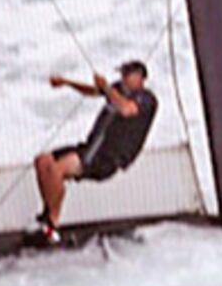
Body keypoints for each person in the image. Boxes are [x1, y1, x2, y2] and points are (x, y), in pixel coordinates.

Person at [32, 59, 159, 242]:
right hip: (90, 147)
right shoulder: (118, 90)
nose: (122, 78)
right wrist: (67, 83)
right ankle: (47, 217)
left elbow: (127, 109)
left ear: (140, 77)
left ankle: (52, 227)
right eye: (121, 73)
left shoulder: (146, 98)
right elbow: (92, 91)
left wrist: (107, 88)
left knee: (56, 170)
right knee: (43, 161)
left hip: (106, 157)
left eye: (126, 74)